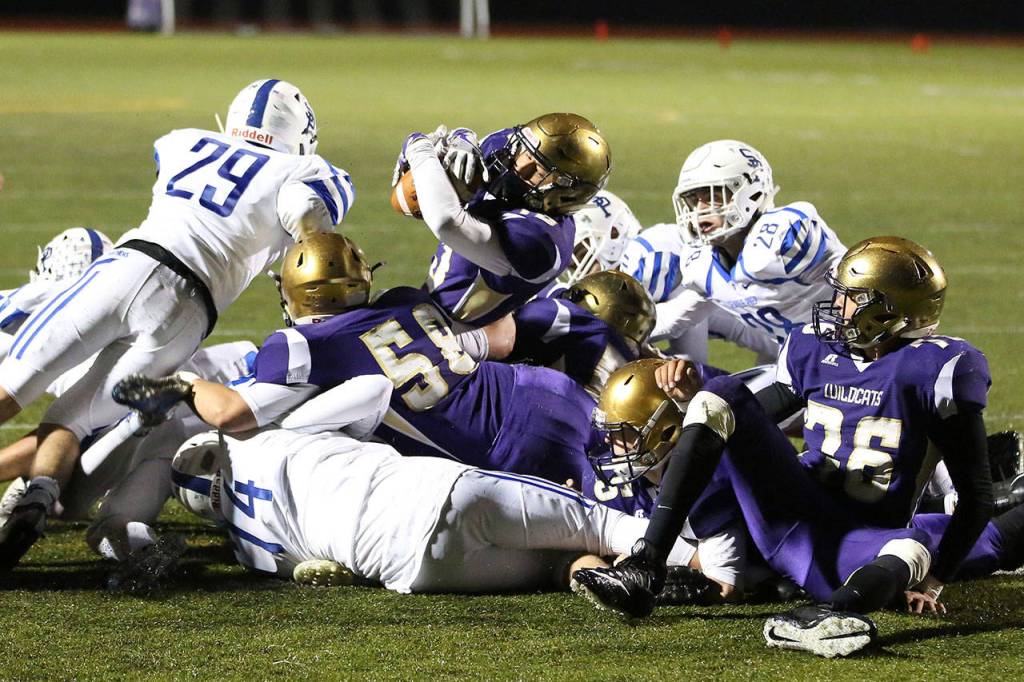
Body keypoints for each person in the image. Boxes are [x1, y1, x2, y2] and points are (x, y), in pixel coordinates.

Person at [572, 237, 995, 658]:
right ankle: (646, 566)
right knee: (718, 394)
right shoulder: (817, 348)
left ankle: (830, 614)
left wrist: (935, 579)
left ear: (890, 310)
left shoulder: (937, 369)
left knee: (913, 546)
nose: (838, 305)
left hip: (853, 546)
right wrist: (689, 400)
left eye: (853, 298)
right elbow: (740, 418)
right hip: (790, 511)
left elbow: (977, 495)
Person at [0, 78, 355, 570]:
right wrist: (307, 241)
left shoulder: (182, 141)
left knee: (15, 383)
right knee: (74, 416)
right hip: (188, 310)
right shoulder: (308, 168)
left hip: (126, 267)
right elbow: (307, 214)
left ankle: (35, 495)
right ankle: (36, 499)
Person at [166, 383, 701, 594]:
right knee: (603, 524)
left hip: (414, 570)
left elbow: (313, 568)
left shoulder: (247, 550)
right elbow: (373, 388)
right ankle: (716, 570)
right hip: (434, 495)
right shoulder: (270, 439)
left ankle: (611, 581)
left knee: (558, 568)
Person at [622, 140, 845, 365]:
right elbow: (677, 317)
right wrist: (615, 332)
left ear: (752, 194)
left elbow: (858, 280)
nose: (700, 210)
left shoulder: (785, 235)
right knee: (713, 397)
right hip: (800, 362)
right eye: (693, 200)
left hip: (853, 352)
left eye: (713, 196)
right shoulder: (702, 263)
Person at [402, 114, 611, 329]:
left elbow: (446, 221)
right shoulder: (510, 152)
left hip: (458, 335)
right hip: (428, 303)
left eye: (539, 171)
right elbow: (479, 144)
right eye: (524, 152)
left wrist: (418, 148)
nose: (520, 166)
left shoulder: (542, 239)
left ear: (567, 193)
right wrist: (460, 140)